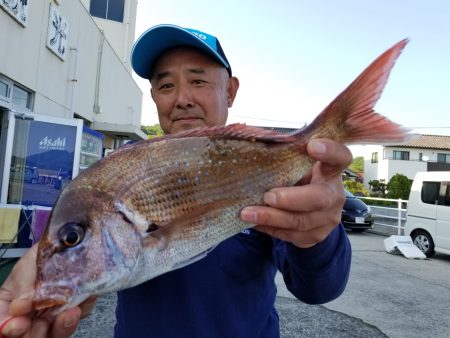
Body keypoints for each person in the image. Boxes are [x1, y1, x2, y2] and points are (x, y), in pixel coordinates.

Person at [0, 24, 352, 338]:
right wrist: (43, 273)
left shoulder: (268, 167)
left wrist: (319, 236)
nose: (182, 99)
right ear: (154, 96)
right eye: (166, 84)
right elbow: (82, 232)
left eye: (198, 81)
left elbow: (318, 289)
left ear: (230, 91)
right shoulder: (116, 173)